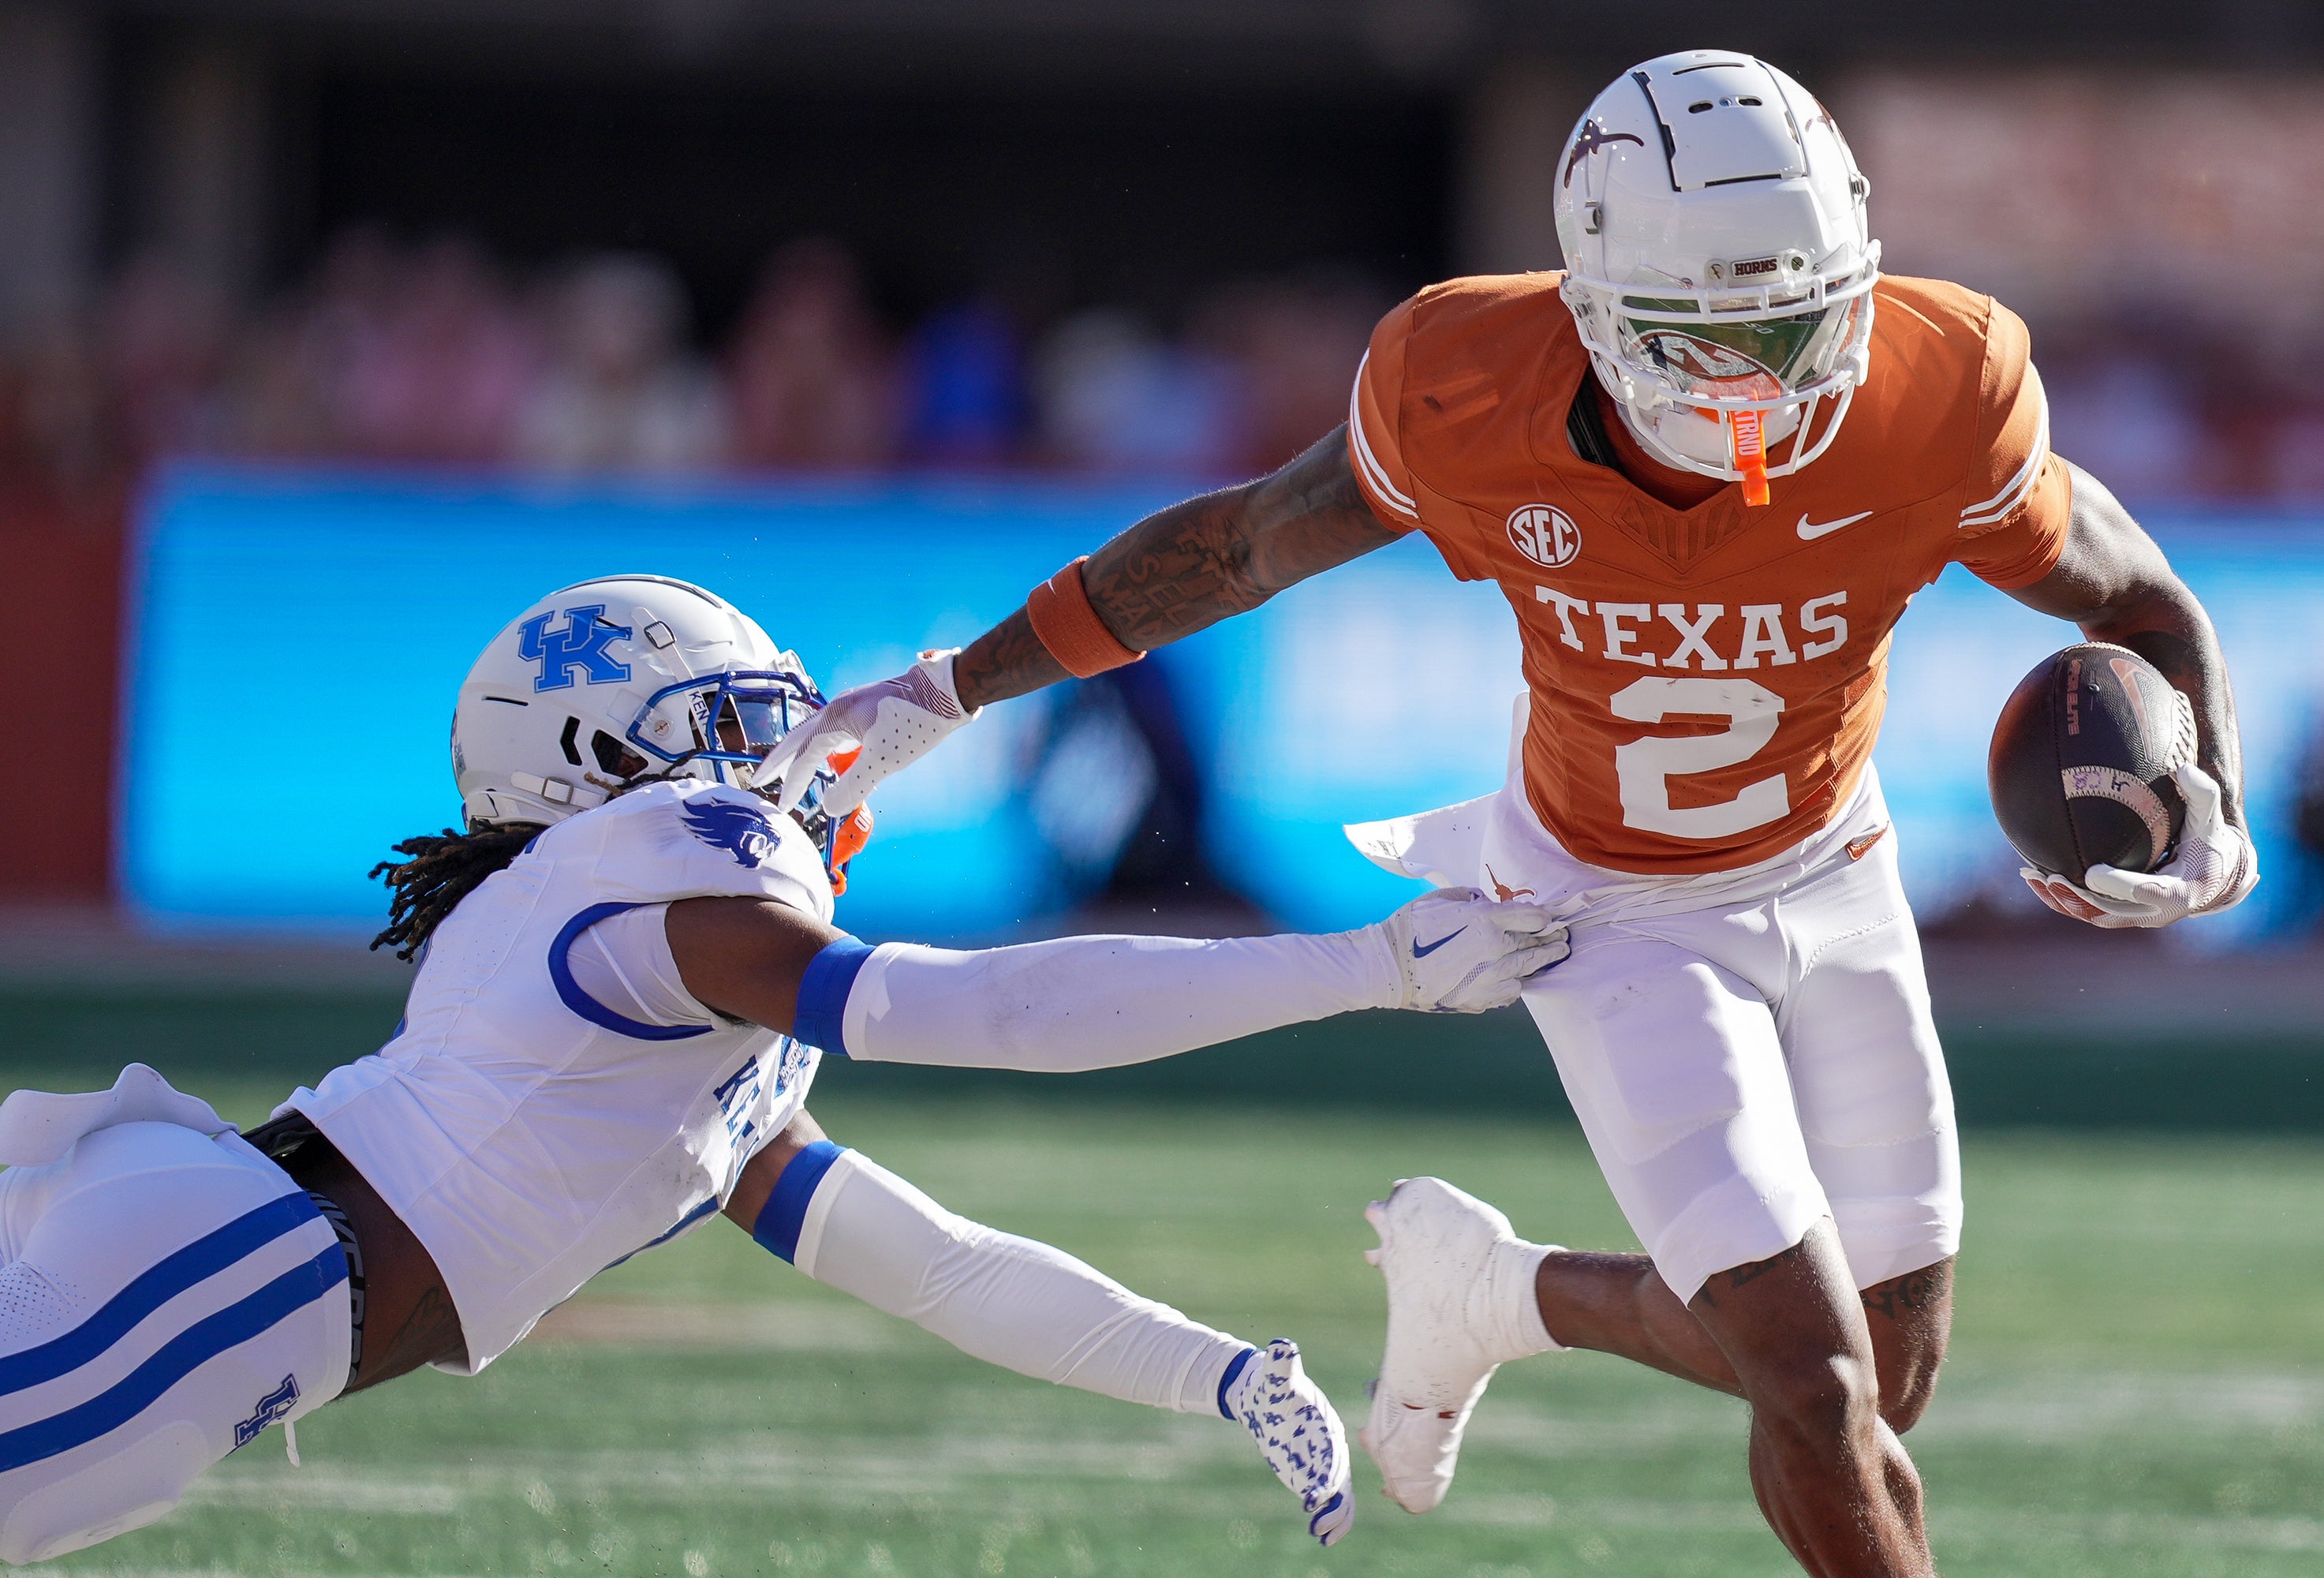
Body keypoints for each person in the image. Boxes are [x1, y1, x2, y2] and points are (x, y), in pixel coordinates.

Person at [754, 50, 2259, 1578]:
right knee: (1813, 1383)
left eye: (1797, 323)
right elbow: (1244, 545)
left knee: (1890, 1378)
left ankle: (1504, 1292)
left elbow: (2140, 598)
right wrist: (954, 687)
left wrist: (2216, 800)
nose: (1761, 383)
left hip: (1837, 862)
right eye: (1703, 338)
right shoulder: (1472, 383)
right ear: (1596, 309)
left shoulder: (1946, 385)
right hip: (1599, 903)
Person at [0, 575, 1569, 1565]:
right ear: (608, 772)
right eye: (735, 724)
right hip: (231, 1277)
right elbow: (992, 1016)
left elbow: (937, 1268)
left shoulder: (664, 1001)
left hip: (222, 1265)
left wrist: (1208, 1371)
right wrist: (1364, 966)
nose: (786, 753)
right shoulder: (656, 868)